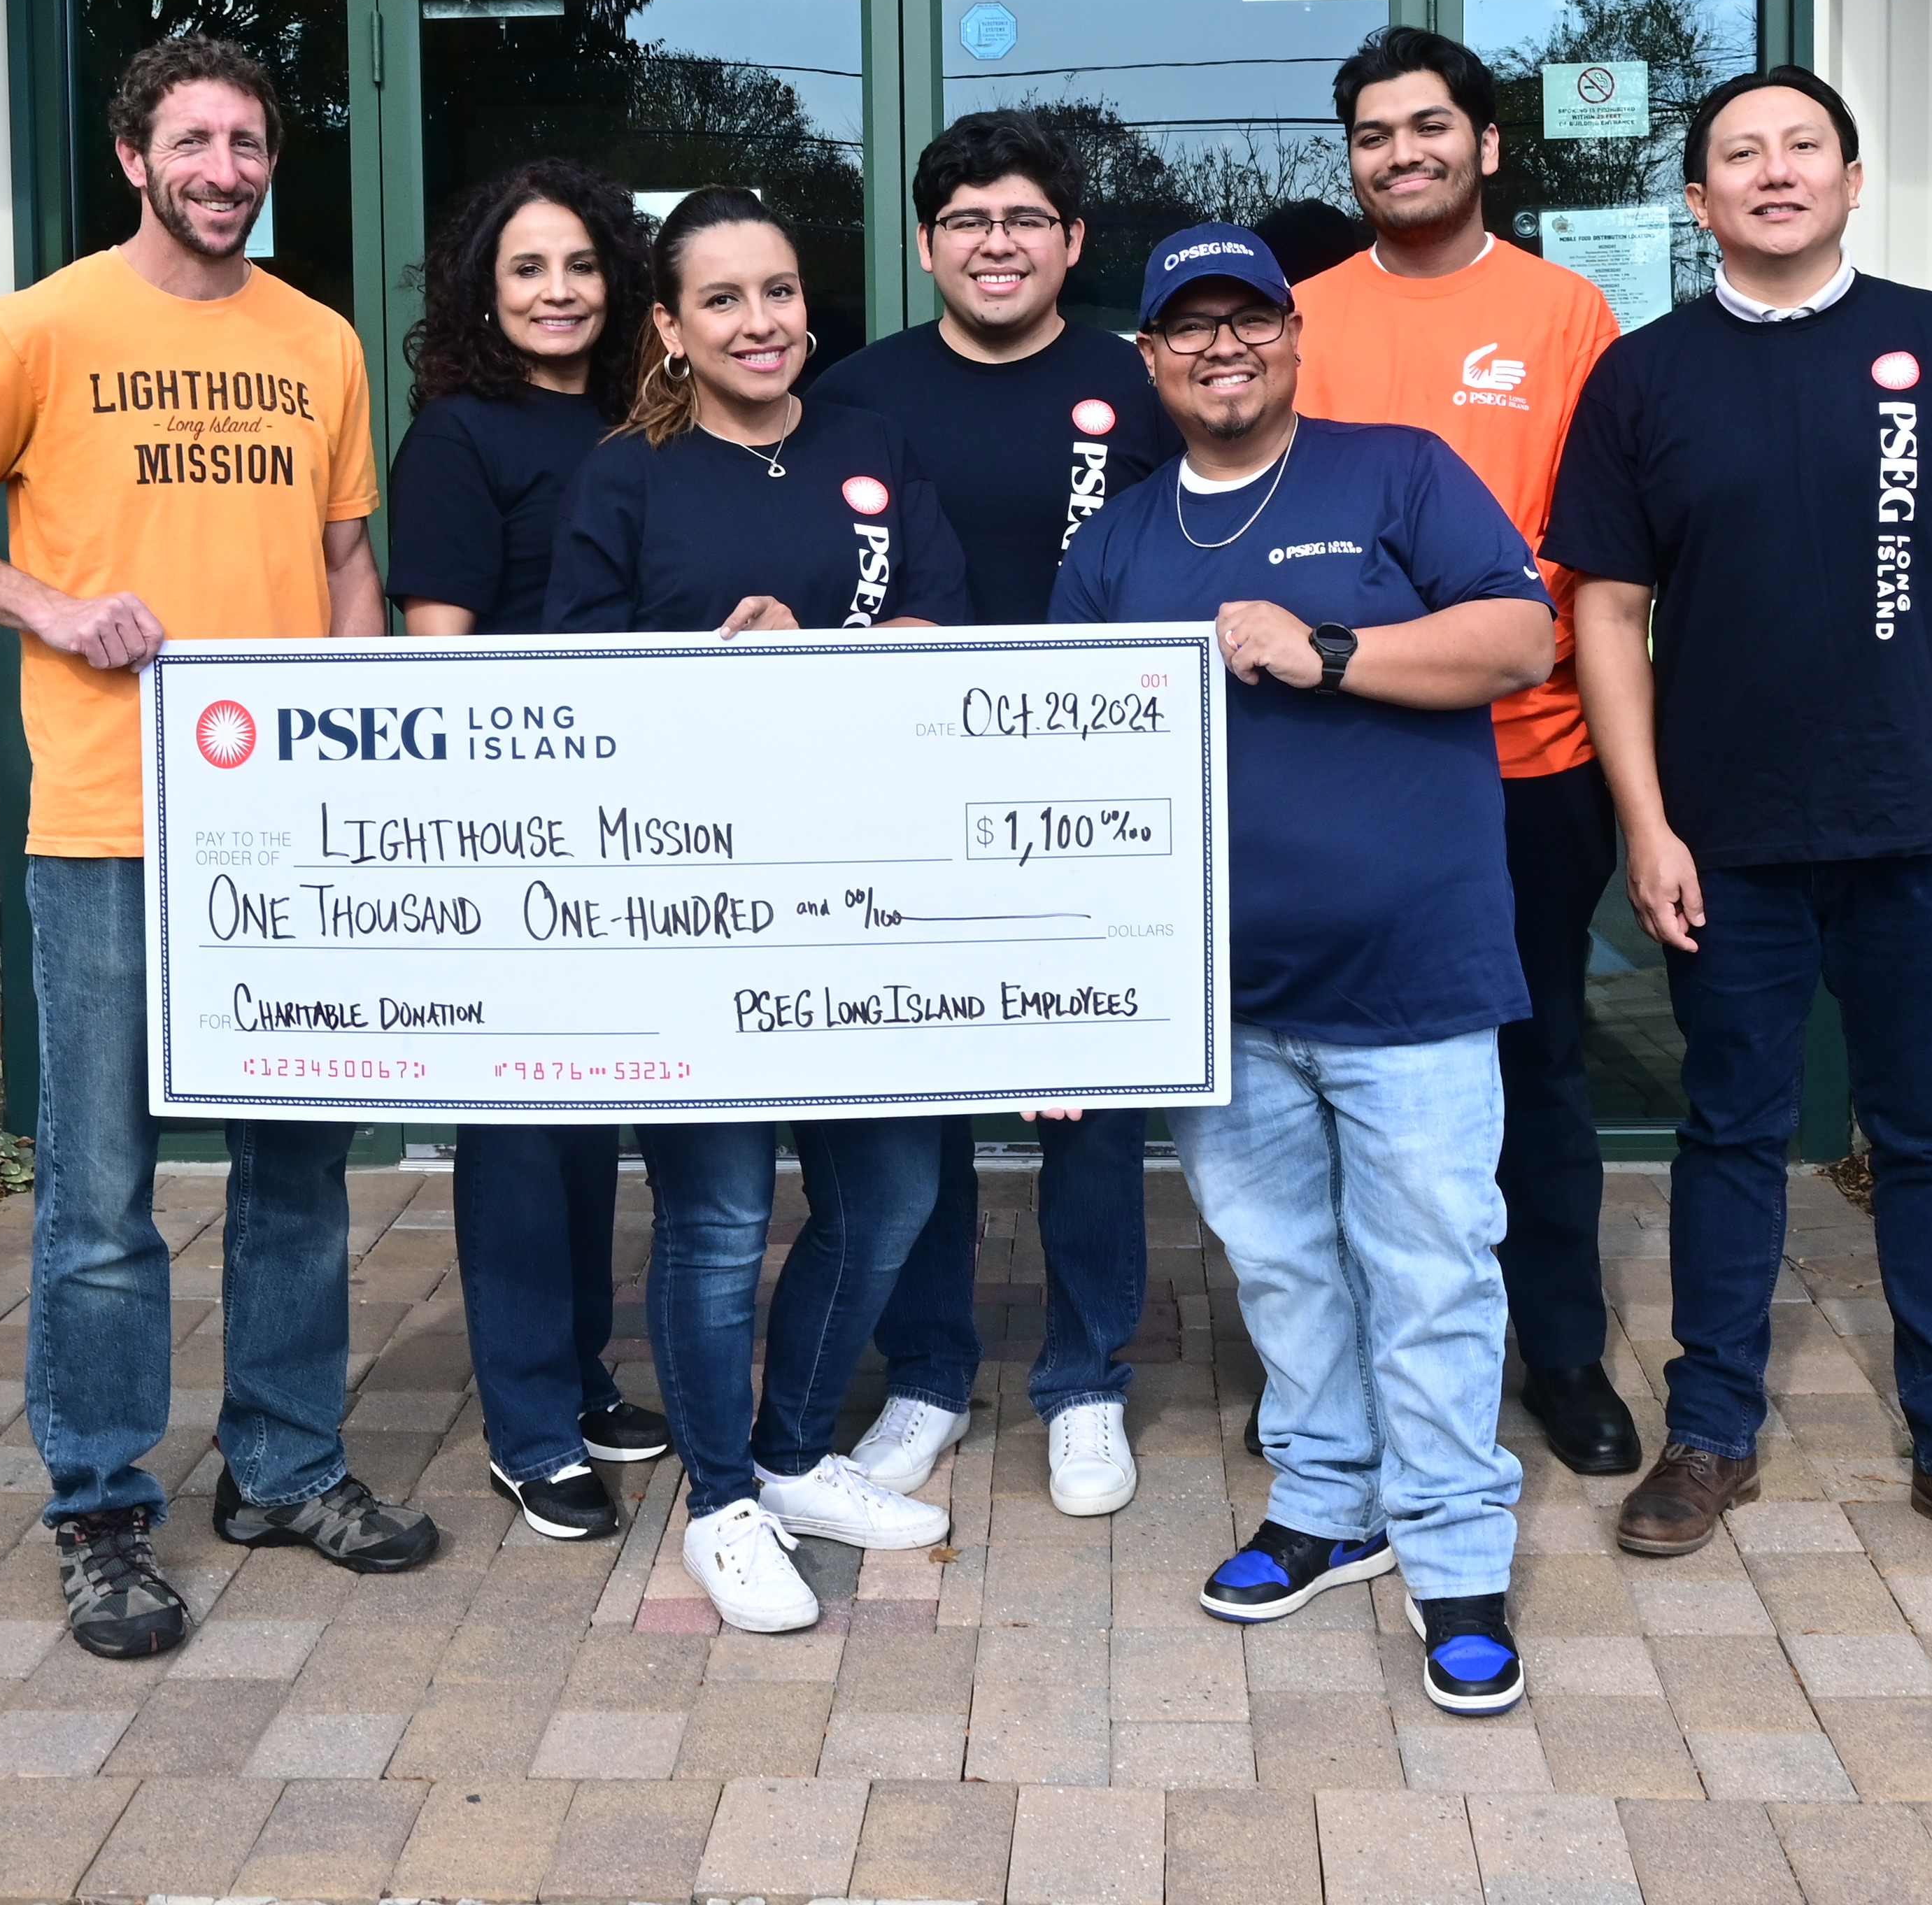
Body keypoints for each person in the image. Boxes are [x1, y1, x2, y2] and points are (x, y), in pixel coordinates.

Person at [0, 33, 438, 1667]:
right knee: (103, 1185)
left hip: (281, 824)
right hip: (113, 812)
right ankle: (101, 1503)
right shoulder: (45, 325)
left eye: (249, 141)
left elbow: (345, 559)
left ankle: (284, 1465)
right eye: (196, 139)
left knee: (297, 1168)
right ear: (136, 157)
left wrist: (351, 735)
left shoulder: (319, 342)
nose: (227, 167)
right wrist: (44, 604)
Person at [1547, 66, 1932, 1584]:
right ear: (1698, 201)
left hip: (1919, 829)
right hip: (1728, 839)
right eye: (1740, 154)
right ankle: (1709, 1431)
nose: (1774, 172)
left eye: (1802, 147)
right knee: (1730, 1133)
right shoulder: (1645, 377)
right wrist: (1645, 822)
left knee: (1926, 1136)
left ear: (1852, 178)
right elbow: (1606, 607)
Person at [1053, 221, 1561, 1717]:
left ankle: (1457, 1554)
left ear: (1291, 336)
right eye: (1187, 326)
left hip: (1408, 969)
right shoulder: (1121, 536)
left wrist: (1327, 648)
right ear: (1149, 358)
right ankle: (1331, 1499)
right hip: (1217, 992)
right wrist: (1078, 1002)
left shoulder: (1393, 469)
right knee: (1280, 1265)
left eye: (1248, 319)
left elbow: (1521, 634)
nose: (1222, 345)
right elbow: (1070, 767)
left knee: (1429, 1265)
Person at [546, 187, 977, 1633]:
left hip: (872, 890)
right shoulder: (628, 474)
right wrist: (710, 655)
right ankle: (718, 1492)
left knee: (895, 1190)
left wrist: (851, 648)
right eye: (721, 298)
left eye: (780, 289)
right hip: (698, 900)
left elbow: (944, 621)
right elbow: (574, 682)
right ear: (666, 325)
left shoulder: (873, 443)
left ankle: (793, 1450)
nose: (759, 321)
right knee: (720, 1211)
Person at [809, 110, 1180, 1520]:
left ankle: (1085, 1378)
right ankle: (928, 1368)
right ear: (926, 244)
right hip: (906, 792)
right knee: (918, 1097)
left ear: (1075, 241)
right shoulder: (859, 392)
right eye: (967, 221)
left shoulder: (1135, 382)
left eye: (1026, 218)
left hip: (1098, 791)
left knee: (1094, 1099)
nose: (997, 243)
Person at [1291, 26, 1635, 1477]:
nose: (1403, 154)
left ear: (1487, 146)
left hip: (1526, 761)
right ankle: (1354, 1364)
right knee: (1336, 1073)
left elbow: (1600, 552)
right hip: (1335, 763)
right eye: (1374, 135)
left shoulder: (1569, 314)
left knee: (1541, 1061)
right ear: (1352, 158)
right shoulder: (1298, 314)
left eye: (1429, 128)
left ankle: (1560, 1350)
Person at [386, 159, 675, 1543]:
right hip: (511, 823)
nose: (558, 292)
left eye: (579, 265)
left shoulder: (645, 422)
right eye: (527, 269)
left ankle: (580, 1372)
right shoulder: (460, 434)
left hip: (635, 816)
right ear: (483, 293)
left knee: (589, 1123)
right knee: (516, 1130)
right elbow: (434, 652)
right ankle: (527, 1429)